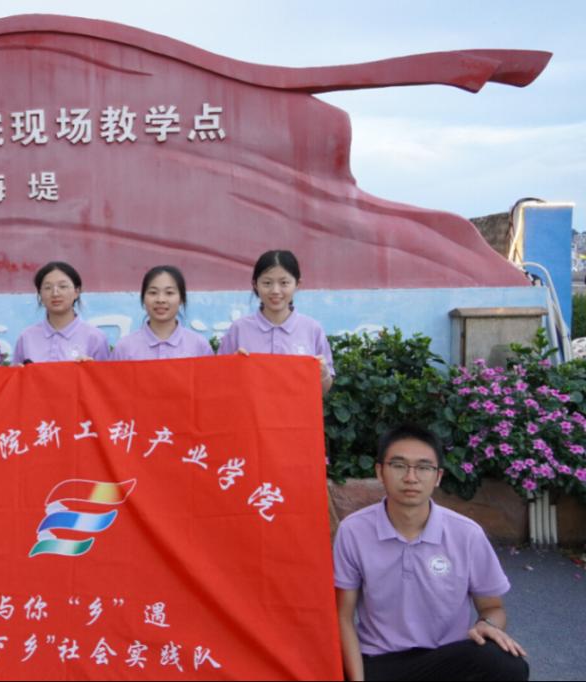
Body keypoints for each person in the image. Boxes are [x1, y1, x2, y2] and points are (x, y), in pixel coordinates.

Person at [333, 424, 529, 682]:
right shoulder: (354, 531)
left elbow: (492, 607)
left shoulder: (466, 534)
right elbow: (343, 616)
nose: (411, 477)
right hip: (378, 660)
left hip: (445, 659)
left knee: (508, 665)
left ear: (438, 476)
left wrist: (487, 625)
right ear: (380, 471)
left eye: (424, 467)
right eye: (399, 465)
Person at [217, 249, 334, 394]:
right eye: (267, 283)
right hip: (251, 409)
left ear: (297, 284)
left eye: (284, 283)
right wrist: (232, 367)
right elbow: (219, 381)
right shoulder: (239, 329)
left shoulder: (312, 329)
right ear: (255, 284)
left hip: (296, 409)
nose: (275, 291)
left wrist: (323, 374)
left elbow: (323, 389)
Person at [12, 261, 110, 364]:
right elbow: (16, 374)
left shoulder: (95, 338)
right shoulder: (26, 337)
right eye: (48, 288)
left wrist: (88, 368)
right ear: (40, 294)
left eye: (63, 286)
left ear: (76, 292)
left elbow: (103, 374)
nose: (55, 293)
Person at [112, 265, 213, 360]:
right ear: (143, 298)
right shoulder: (124, 348)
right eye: (153, 292)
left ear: (181, 299)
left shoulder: (198, 346)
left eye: (169, 293)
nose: (161, 300)